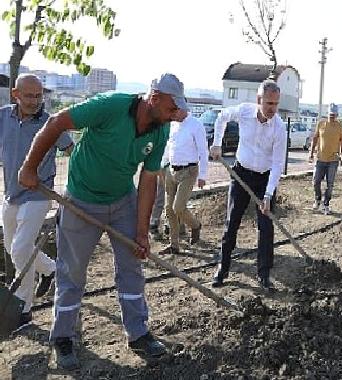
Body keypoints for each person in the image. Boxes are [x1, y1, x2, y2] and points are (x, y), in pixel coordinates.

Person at [18, 73, 188, 369]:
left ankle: (138, 333)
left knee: (131, 267)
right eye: (172, 109)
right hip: (81, 199)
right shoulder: (110, 107)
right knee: (72, 272)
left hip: (123, 202)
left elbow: (148, 181)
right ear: (155, 98)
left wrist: (141, 232)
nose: (176, 116)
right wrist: (29, 167)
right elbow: (57, 122)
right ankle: (63, 337)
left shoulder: (160, 131)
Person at [0, 74, 74, 329]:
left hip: (39, 193)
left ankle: (24, 309)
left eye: (38, 95)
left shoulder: (50, 123)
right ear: (15, 94)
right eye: (29, 95)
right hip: (11, 194)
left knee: (21, 248)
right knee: (12, 248)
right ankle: (51, 269)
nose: (34, 101)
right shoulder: (3, 117)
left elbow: (71, 149)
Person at [209, 80, 287, 290]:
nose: (272, 108)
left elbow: (278, 163)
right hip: (241, 173)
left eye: (276, 104)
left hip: (264, 178)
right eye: (269, 103)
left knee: (266, 226)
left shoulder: (279, 127)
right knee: (232, 221)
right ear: (259, 100)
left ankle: (264, 274)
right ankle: (222, 269)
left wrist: (269, 195)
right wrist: (217, 144)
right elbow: (221, 117)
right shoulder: (244, 111)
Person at [161, 110, 208, 254]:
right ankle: (174, 245)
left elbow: (203, 151)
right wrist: (162, 166)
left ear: (182, 109)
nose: (172, 114)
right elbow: (169, 146)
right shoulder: (173, 124)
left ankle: (195, 225)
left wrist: (203, 175)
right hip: (171, 170)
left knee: (178, 207)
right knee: (169, 209)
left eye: (175, 111)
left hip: (189, 171)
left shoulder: (195, 125)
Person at [308, 103, 342, 215]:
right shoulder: (321, 124)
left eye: (334, 115)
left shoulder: (340, 127)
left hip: (333, 160)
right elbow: (315, 139)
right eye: (330, 115)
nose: (332, 117)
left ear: (337, 115)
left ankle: (326, 204)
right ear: (328, 114)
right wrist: (311, 153)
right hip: (320, 159)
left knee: (330, 184)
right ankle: (317, 199)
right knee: (316, 181)